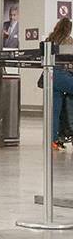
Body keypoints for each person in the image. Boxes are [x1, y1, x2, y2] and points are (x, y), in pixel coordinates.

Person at [47, 18, 73, 151]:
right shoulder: (69, 41)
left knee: (55, 110)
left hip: (50, 76)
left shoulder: (50, 39)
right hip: (63, 75)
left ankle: (53, 140)